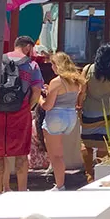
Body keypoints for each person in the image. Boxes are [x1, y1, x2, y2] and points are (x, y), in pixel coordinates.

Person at [0, 36, 44, 194]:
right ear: (28, 47)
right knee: (21, 153)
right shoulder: (31, 65)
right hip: (20, 112)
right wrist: (28, 107)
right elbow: (36, 91)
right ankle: (22, 191)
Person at [40, 52, 85, 191]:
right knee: (60, 153)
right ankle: (59, 184)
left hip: (56, 117)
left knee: (56, 156)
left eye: (52, 64)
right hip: (70, 116)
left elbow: (47, 106)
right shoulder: (76, 81)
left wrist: (39, 99)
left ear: (57, 65)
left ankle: (60, 185)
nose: (51, 67)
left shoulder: (56, 81)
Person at [80, 44, 110, 180]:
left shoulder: (87, 69)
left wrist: (79, 105)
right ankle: (99, 174)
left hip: (89, 111)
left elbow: (82, 91)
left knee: (87, 143)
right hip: (109, 112)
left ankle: (88, 173)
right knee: (104, 143)